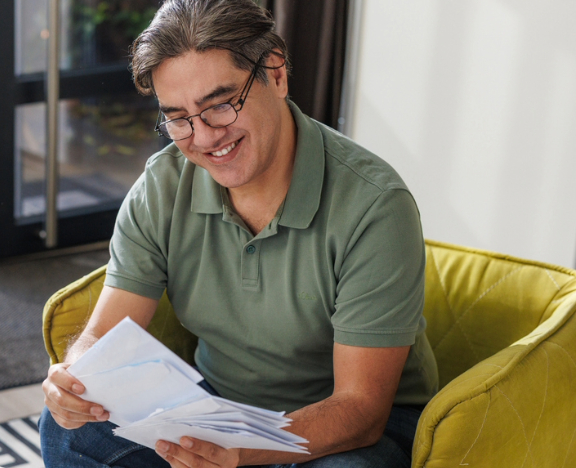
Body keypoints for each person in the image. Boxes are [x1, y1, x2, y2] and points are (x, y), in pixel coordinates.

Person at [38, 0, 439, 467]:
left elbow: (360, 410)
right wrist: (76, 379)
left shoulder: (374, 206)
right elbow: (101, 338)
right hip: (219, 405)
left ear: (276, 74)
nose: (204, 137)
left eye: (221, 105)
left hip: (345, 427)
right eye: (178, 118)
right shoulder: (162, 185)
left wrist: (239, 452)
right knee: (68, 431)